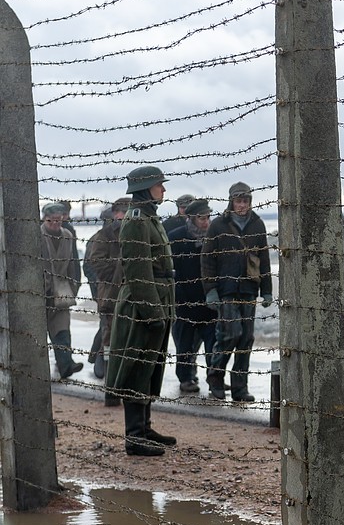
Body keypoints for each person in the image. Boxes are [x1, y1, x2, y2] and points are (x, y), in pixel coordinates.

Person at [104, 166, 177, 456]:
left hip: (158, 297)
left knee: (150, 366)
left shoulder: (149, 218)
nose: (164, 189)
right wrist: (153, 312)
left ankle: (144, 427)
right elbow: (138, 272)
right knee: (137, 367)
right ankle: (135, 436)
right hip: (142, 304)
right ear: (147, 187)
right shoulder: (136, 221)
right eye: (160, 184)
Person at [201, 182, 272, 401]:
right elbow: (207, 259)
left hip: (249, 288)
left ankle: (240, 387)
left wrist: (266, 290)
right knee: (230, 334)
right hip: (226, 289)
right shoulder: (218, 225)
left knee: (246, 338)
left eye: (245, 201)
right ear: (231, 201)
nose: (242, 205)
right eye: (238, 201)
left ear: (250, 202)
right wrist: (211, 290)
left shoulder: (257, 224)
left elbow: (264, 258)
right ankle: (215, 378)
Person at [168, 198, 217, 393]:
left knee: (213, 344)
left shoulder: (214, 237)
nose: (205, 222)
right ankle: (185, 378)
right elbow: (170, 270)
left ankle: (214, 379)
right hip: (185, 300)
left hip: (209, 300)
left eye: (207, 217)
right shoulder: (176, 237)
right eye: (201, 218)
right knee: (185, 344)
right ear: (191, 218)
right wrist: (178, 295)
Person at [85, 197, 130, 380]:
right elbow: (92, 266)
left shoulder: (131, 233)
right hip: (107, 291)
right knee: (107, 331)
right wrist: (114, 276)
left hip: (124, 292)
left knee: (116, 330)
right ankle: (102, 364)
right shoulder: (100, 237)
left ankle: (106, 363)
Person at [40, 202, 83, 380]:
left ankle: (66, 365)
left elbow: (73, 263)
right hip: (39, 293)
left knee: (62, 331)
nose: (56, 224)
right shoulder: (36, 235)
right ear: (44, 219)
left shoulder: (67, 235)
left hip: (62, 292)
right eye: (52, 221)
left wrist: (74, 287)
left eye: (59, 220)